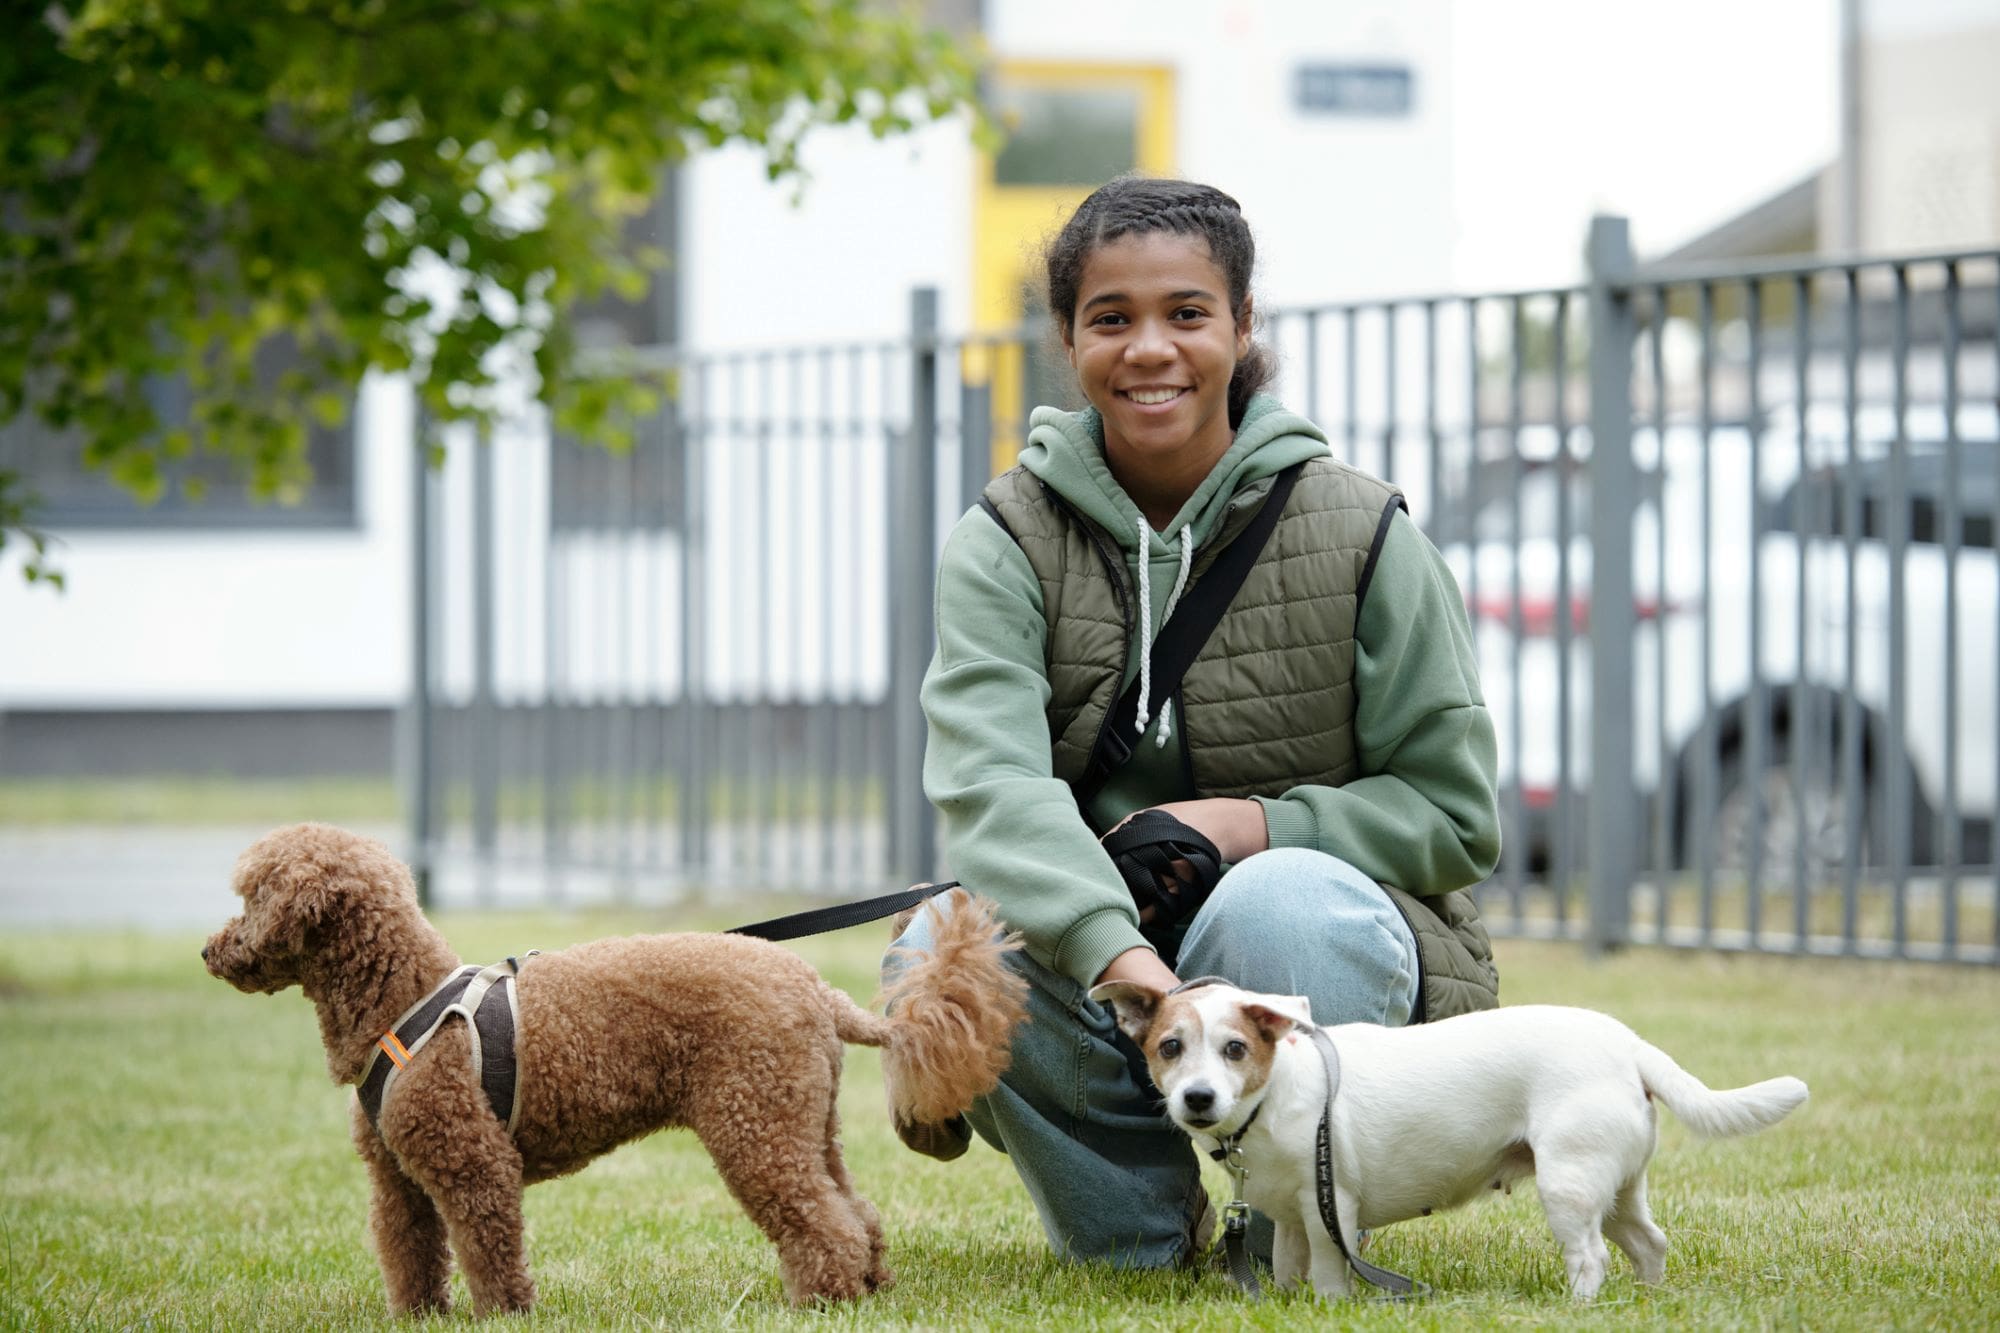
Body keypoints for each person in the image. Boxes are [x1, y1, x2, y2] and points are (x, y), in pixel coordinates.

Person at [886, 176, 1502, 1268]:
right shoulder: (1002, 539)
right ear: (1066, 337)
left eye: (1185, 313)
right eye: (1110, 319)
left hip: (1318, 947)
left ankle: (1286, 1234)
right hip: (1111, 949)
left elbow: (1453, 814)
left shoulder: (1362, 529)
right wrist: (1120, 954)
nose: (1149, 350)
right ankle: (1139, 1235)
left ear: (1241, 325)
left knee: (1280, 903)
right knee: (938, 949)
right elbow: (993, 791)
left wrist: (1243, 826)